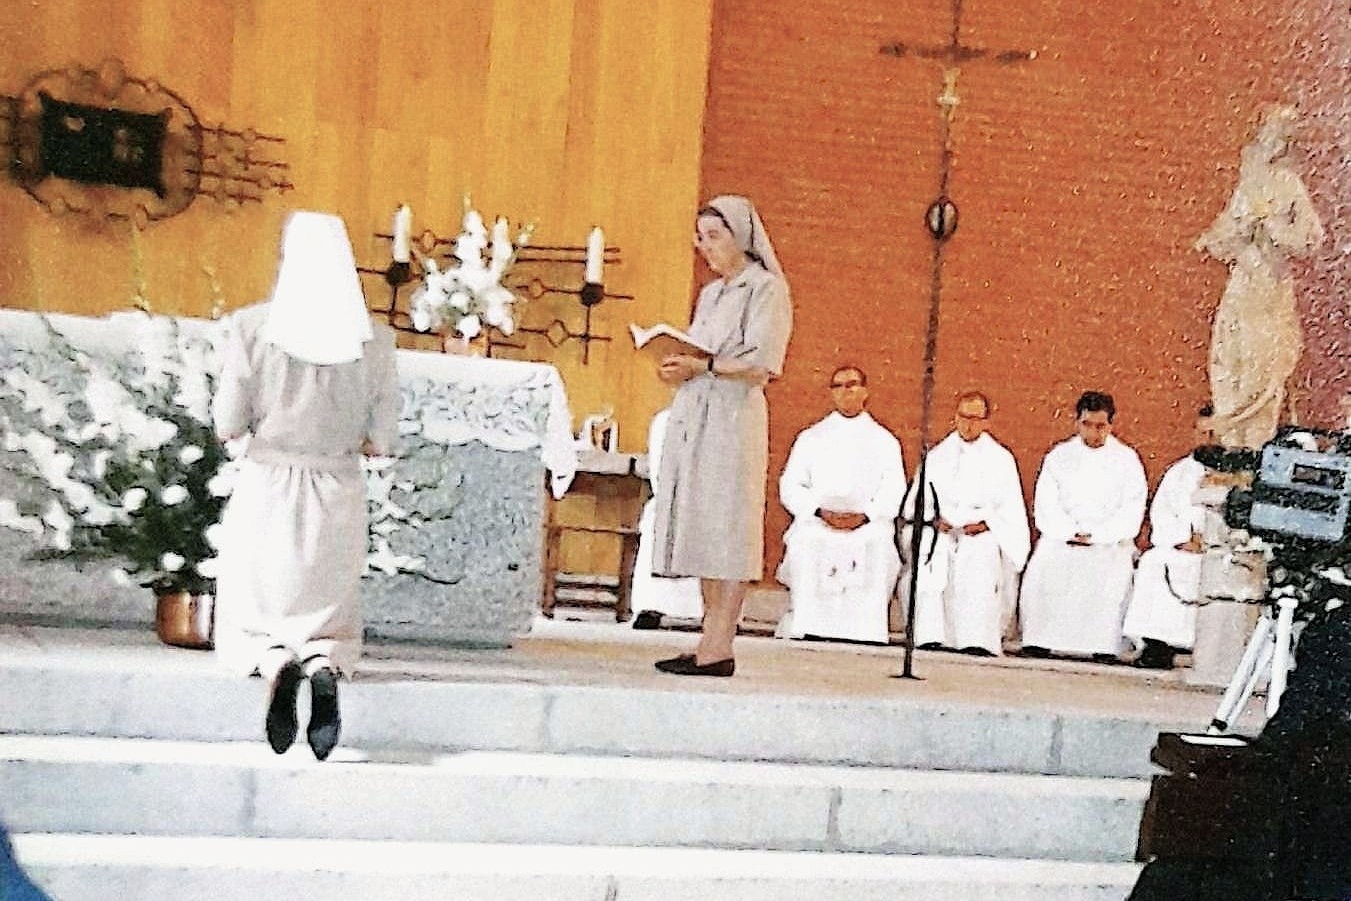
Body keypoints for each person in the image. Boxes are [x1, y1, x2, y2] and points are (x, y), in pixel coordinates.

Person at [212, 210, 400, 759]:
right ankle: (320, 663)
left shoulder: (251, 328)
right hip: (336, 483)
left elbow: (228, 420)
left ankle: (276, 663)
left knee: (259, 605)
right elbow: (383, 436)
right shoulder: (377, 341)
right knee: (325, 609)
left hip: (270, 479)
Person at [650, 195, 793, 676]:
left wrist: (705, 365)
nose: (704, 247)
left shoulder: (765, 290)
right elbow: (696, 349)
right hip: (698, 414)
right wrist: (675, 366)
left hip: (733, 418)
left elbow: (762, 364)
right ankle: (708, 638)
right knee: (703, 526)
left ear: (742, 237)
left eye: (714, 236)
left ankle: (720, 645)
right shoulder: (712, 294)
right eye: (700, 238)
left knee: (728, 528)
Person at [1196, 104, 1324, 450]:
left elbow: (1312, 238)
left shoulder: (1289, 184)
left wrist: (1274, 227)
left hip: (1270, 287)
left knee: (1262, 365)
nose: (1273, 141)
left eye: (1280, 134)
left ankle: (1254, 443)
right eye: (1270, 131)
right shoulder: (1248, 185)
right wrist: (1229, 233)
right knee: (1228, 357)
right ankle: (1231, 440)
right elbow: (1223, 233)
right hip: (1243, 284)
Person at [775, 366, 905, 645]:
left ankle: (865, 631)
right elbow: (791, 484)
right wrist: (819, 512)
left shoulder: (884, 441)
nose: (846, 392)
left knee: (879, 544)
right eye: (839, 386)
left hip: (866, 525)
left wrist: (866, 515)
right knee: (807, 542)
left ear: (865, 391)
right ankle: (810, 624)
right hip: (820, 521)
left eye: (852, 385)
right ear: (831, 393)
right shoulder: (811, 437)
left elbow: (894, 488)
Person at [1018, 391, 1147, 661]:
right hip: (1063, 537)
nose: (1093, 432)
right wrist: (1069, 531)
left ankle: (1103, 644)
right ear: (1077, 422)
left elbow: (1132, 507)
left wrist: (1098, 535)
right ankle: (1040, 639)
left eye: (1100, 426)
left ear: (1110, 425)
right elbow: (1046, 503)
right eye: (1087, 425)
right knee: (1044, 564)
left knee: (1112, 572)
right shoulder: (1059, 456)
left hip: (1108, 541)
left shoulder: (1127, 460)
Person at [908, 391, 1029, 656]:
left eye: (975, 418)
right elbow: (918, 504)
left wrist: (987, 524)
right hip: (943, 532)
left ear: (986, 421)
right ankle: (932, 635)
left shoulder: (1001, 459)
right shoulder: (938, 456)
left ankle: (976, 639)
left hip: (982, 532)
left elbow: (1009, 510)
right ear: (955, 417)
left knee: (980, 557)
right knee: (932, 554)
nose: (968, 424)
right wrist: (934, 520)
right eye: (963, 416)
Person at [1121, 406, 1216, 669]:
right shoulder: (1179, 473)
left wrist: (1209, 543)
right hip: (1181, 547)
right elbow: (1161, 514)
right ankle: (1157, 645)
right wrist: (1182, 539)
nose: (1208, 440)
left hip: (1219, 552)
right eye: (1203, 432)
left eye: (1214, 433)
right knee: (1154, 562)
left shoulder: (1237, 474)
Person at [630, 407, 704, 629]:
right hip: (669, 501)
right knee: (661, 528)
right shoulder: (666, 420)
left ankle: (705, 612)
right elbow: (660, 469)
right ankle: (653, 607)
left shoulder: (732, 420)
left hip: (711, 505)